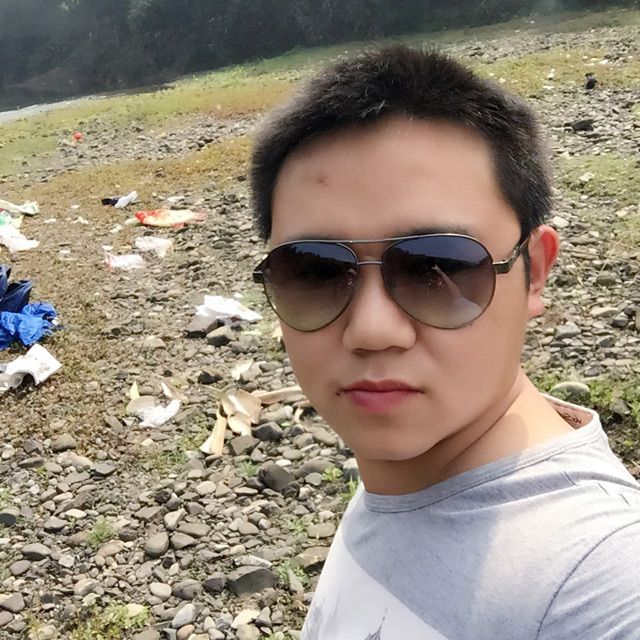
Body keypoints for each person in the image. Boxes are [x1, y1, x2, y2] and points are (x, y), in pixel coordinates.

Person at [249, 46, 640, 639]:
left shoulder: (602, 582)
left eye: (439, 266)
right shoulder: (404, 479)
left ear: (535, 271)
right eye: (314, 271)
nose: (372, 330)